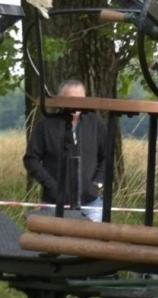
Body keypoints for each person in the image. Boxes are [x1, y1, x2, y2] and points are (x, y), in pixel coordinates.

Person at [23, 79, 108, 221]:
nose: (76, 104)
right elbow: (31, 159)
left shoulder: (95, 123)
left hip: (91, 203)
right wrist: (51, 186)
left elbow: (107, 157)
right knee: (55, 242)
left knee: (91, 242)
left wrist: (97, 183)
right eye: (71, 100)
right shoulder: (46, 126)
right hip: (53, 203)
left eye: (81, 99)